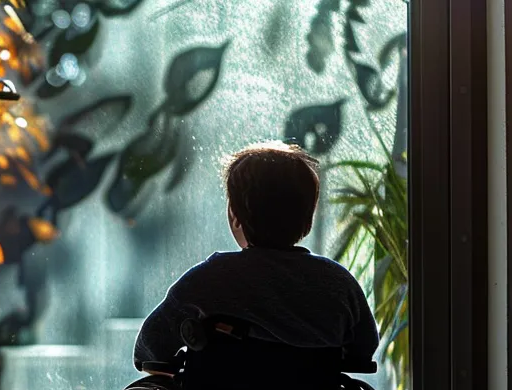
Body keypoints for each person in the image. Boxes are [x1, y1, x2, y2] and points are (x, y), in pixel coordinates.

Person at [132, 141, 379, 370]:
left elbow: (150, 345)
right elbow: (364, 347)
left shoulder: (209, 280)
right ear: (308, 220)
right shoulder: (337, 282)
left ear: (234, 215)